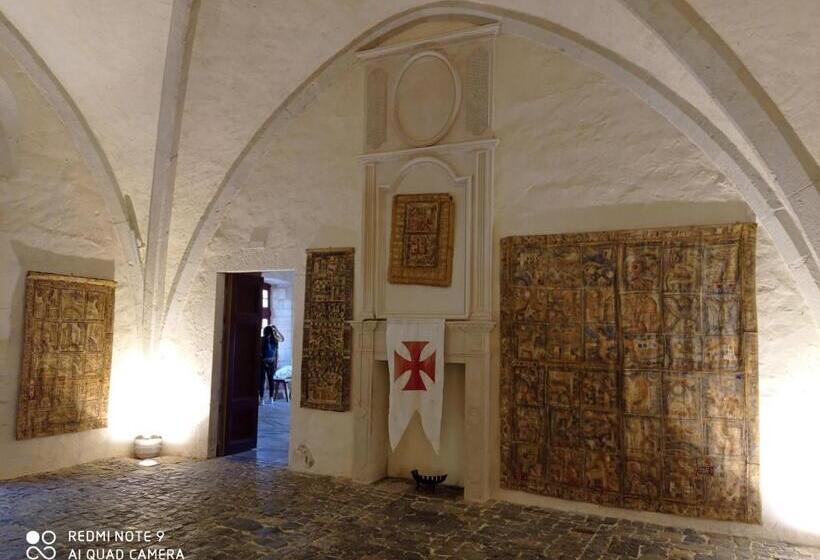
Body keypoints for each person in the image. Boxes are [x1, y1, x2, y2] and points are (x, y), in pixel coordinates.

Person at [259, 324, 284, 404]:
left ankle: (269, 398)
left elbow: (282, 339)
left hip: (269, 363)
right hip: (265, 362)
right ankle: (264, 398)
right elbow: (259, 352)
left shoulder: (274, 340)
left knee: (269, 381)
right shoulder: (265, 340)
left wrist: (276, 329)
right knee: (263, 381)